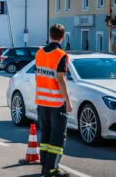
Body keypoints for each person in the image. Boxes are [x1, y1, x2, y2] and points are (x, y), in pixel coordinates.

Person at [35, 24, 72, 177]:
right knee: (58, 136)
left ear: (50, 35)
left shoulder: (39, 53)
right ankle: (52, 169)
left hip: (41, 101)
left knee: (45, 134)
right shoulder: (61, 55)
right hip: (56, 103)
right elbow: (60, 79)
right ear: (62, 37)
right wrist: (68, 102)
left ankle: (45, 167)